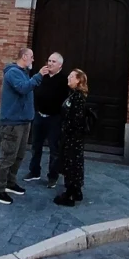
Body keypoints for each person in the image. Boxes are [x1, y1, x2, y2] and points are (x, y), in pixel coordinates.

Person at [0, 48, 50, 205]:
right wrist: (39, 76)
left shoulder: (23, 72)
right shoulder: (13, 73)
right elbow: (23, 88)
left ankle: (10, 182)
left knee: (19, 155)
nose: (33, 60)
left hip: (23, 121)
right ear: (24, 57)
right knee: (7, 156)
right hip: (12, 122)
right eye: (31, 56)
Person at [25, 52, 68, 189]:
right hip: (39, 116)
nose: (49, 63)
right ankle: (34, 171)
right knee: (35, 146)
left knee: (54, 149)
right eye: (49, 60)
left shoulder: (64, 80)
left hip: (54, 119)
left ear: (60, 65)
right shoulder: (41, 76)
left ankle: (52, 176)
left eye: (53, 61)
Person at [54, 69, 89, 207]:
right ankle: (76, 190)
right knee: (73, 163)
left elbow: (75, 119)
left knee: (71, 164)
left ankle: (70, 194)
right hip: (71, 137)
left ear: (78, 80)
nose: (68, 77)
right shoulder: (73, 94)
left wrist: (66, 130)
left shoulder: (78, 97)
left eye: (72, 76)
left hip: (73, 138)